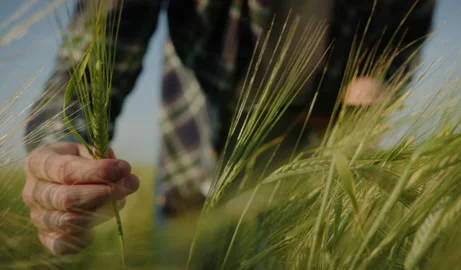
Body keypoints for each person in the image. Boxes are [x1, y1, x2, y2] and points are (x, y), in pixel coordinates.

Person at [21, 0, 436, 256]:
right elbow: (95, 53)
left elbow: (409, 35)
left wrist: (384, 76)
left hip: (324, 148)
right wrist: (61, 139)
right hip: (198, 138)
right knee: (196, 255)